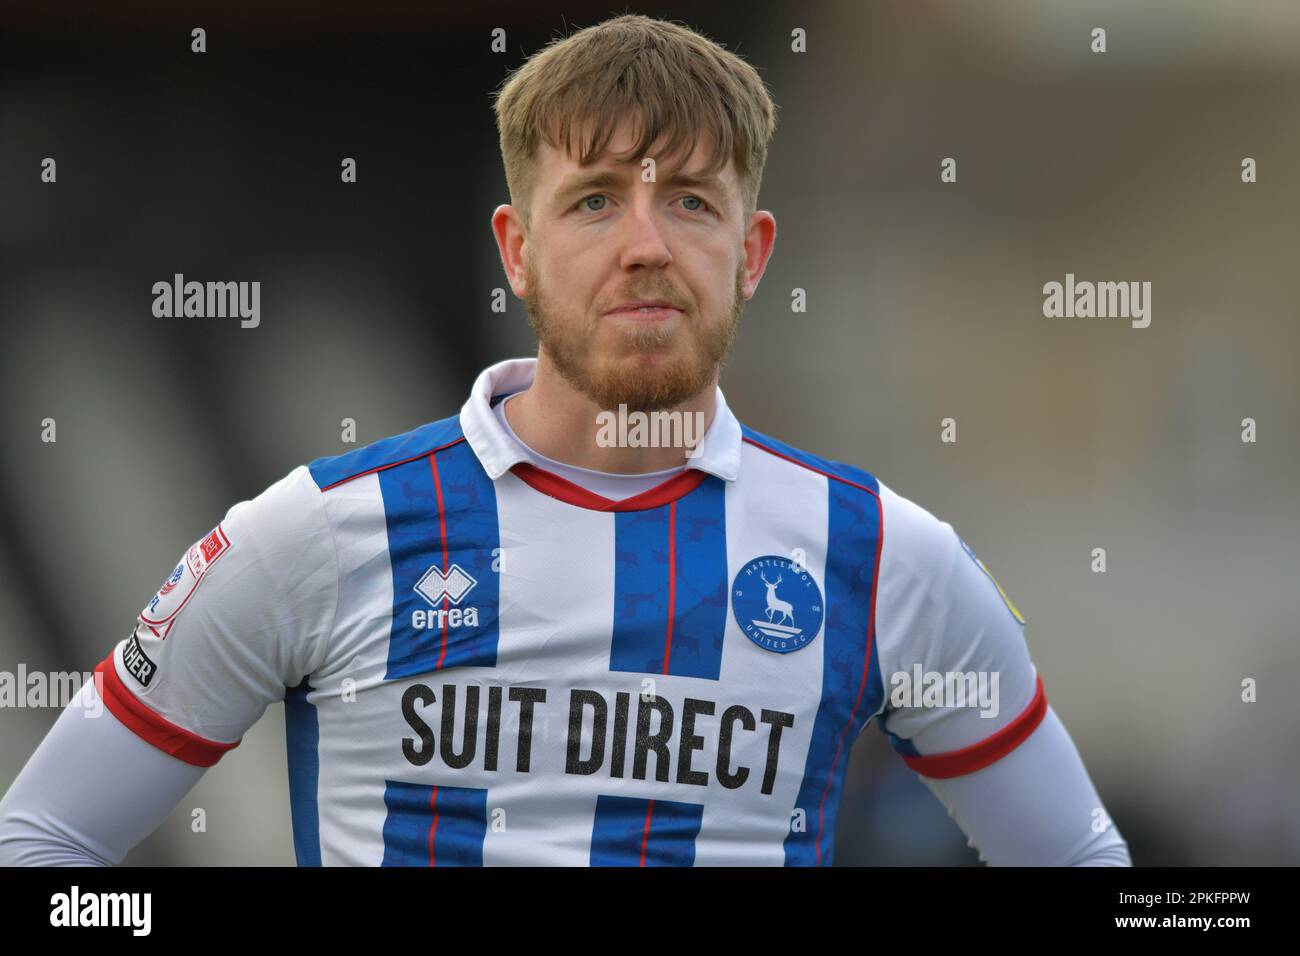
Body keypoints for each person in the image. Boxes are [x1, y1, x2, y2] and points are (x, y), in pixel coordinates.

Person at [0, 13, 1129, 866]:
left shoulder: (889, 557)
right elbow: (47, 843)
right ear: (515, 247)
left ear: (752, 251)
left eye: (690, 200)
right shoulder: (315, 534)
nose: (644, 246)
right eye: (593, 201)